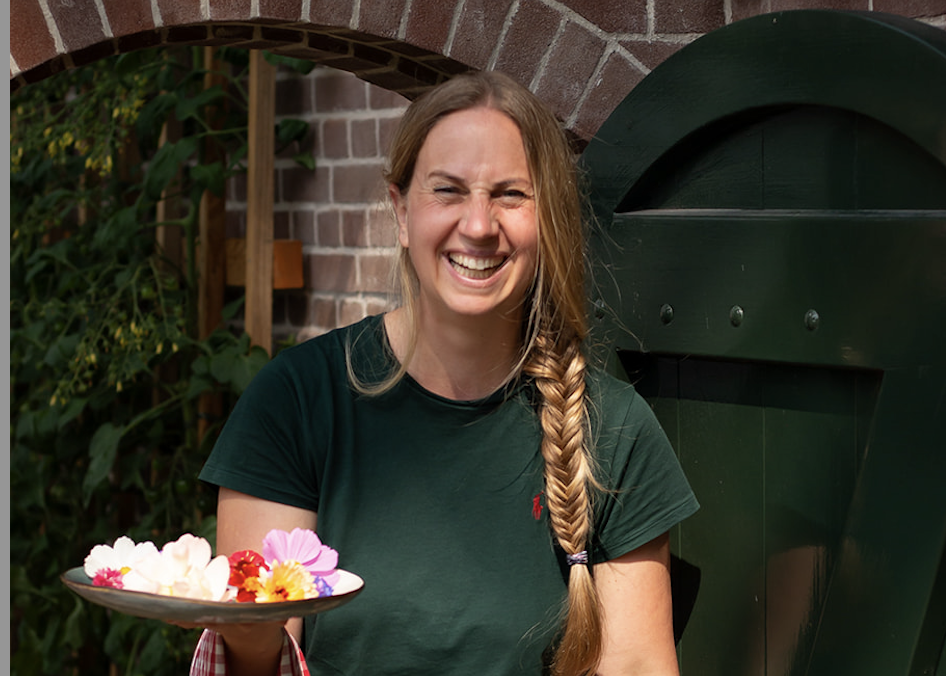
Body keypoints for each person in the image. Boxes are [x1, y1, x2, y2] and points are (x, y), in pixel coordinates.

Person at [190, 69, 699, 676]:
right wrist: (244, 625)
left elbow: (638, 665)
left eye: (510, 194)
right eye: (449, 191)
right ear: (401, 213)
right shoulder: (295, 401)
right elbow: (255, 661)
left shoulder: (612, 430)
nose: (479, 225)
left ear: (550, 221)